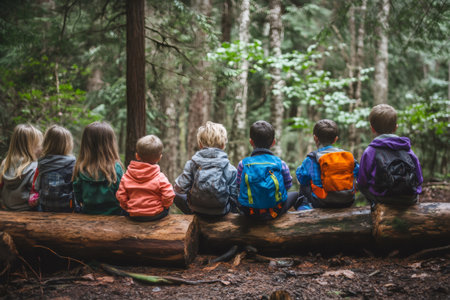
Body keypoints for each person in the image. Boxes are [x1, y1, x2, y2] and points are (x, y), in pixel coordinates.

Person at [358, 104, 423, 208]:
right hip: (409, 198)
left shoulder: (370, 151)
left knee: (360, 185)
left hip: (383, 199)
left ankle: (375, 206)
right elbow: (419, 178)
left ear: (372, 128)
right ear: (396, 127)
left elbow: (362, 181)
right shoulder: (406, 149)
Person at [174, 121, 237, 217]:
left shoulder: (192, 164)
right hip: (222, 212)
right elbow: (234, 197)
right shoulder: (230, 169)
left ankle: (191, 214)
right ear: (223, 145)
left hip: (196, 210)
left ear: (200, 144)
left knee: (174, 193)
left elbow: (179, 190)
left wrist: (189, 207)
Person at [237, 120, 296, 220]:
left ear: (251, 141)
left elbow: (239, 185)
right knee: (295, 194)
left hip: (249, 212)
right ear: (273, 142)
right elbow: (288, 185)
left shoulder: (243, 164)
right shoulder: (280, 163)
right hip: (275, 211)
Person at [295, 119, 359, 210]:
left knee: (304, 182)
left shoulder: (311, 159)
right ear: (335, 139)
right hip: (347, 201)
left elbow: (301, 178)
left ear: (315, 138)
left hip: (321, 202)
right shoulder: (347, 156)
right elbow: (360, 174)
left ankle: (304, 208)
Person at [116, 135, 175, 221]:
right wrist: (164, 206)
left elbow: (121, 195)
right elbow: (169, 195)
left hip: (133, 215)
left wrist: (127, 207)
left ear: (137, 156)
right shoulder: (160, 177)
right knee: (167, 210)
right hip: (156, 214)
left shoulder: (127, 176)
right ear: (159, 158)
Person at [72, 121, 124, 215]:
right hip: (114, 215)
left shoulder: (80, 169)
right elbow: (122, 195)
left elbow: (78, 196)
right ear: (110, 144)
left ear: (86, 145)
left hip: (88, 214)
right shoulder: (116, 168)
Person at [0, 124, 43, 211]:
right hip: (28, 211)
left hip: (7, 208)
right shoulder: (34, 167)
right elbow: (37, 193)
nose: (41, 148)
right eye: (39, 145)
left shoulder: (6, 163)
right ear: (31, 147)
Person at [35, 125, 77, 212]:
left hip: (45, 206)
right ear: (68, 144)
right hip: (67, 207)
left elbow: (37, 187)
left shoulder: (42, 162)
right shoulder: (72, 163)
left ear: (47, 142)